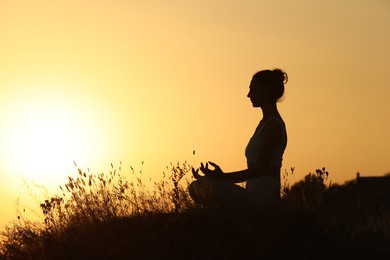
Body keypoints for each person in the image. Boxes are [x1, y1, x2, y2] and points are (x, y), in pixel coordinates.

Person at [189, 69, 288, 209]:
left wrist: (221, 178)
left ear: (267, 90)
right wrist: (220, 176)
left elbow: (257, 171)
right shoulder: (264, 124)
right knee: (196, 186)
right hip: (252, 194)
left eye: (253, 89)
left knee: (205, 185)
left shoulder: (273, 126)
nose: (248, 94)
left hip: (264, 199)